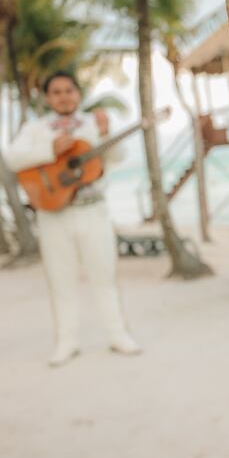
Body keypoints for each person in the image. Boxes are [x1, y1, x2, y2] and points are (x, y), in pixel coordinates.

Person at [5, 70, 140, 366]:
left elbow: (117, 157)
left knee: (104, 275)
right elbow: (13, 158)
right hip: (53, 214)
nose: (63, 96)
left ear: (78, 94)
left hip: (94, 211)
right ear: (47, 98)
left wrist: (105, 134)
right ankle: (67, 342)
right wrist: (48, 149)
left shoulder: (95, 123)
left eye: (69, 90)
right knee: (60, 279)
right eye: (56, 92)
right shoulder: (35, 128)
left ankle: (118, 334)